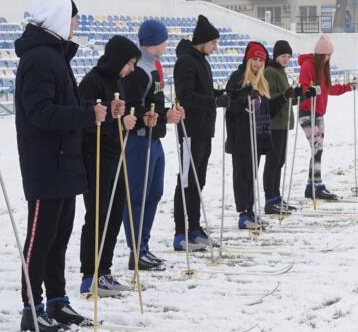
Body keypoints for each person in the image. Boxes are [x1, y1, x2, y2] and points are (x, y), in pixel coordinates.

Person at [14, 0, 107, 332]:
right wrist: (86, 115)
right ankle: (32, 307)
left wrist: (91, 111)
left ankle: (57, 300)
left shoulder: (55, 55)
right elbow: (41, 113)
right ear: (57, 18)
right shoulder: (39, 59)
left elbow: (63, 105)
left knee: (59, 239)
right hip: (46, 164)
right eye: (73, 18)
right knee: (40, 241)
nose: (76, 24)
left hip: (65, 162)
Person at [76, 36, 140, 298]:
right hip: (96, 156)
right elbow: (86, 121)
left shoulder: (118, 81)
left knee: (115, 213)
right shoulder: (92, 82)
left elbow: (117, 117)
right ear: (117, 59)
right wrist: (118, 123)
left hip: (116, 154)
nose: (132, 69)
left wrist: (127, 119)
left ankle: (104, 270)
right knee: (98, 214)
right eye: (130, 63)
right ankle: (89, 273)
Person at [123, 19, 184, 271]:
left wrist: (168, 112)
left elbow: (153, 103)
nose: (166, 44)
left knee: (155, 193)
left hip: (154, 139)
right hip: (139, 140)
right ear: (154, 41)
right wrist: (162, 115)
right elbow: (133, 106)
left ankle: (144, 245)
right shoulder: (139, 70)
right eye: (163, 40)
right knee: (137, 196)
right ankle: (136, 249)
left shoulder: (154, 67)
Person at [224, 41, 290, 228]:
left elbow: (268, 111)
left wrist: (284, 97)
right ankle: (243, 214)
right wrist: (243, 98)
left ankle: (250, 210)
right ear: (248, 59)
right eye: (254, 59)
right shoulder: (237, 78)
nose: (257, 63)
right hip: (241, 138)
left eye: (261, 61)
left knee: (251, 176)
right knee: (242, 176)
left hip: (258, 137)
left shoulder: (262, 82)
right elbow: (230, 106)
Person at [172, 15, 220, 251]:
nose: (216, 47)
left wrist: (223, 96)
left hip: (205, 130)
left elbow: (206, 93)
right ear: (202, 41)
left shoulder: (203, 62)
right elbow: (186, 95)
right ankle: (180, 232)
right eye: (213, 42)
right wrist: (212, 100)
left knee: (198, 181)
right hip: (191, 130)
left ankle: (194, 227)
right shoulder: (186, 62)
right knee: (187, 181)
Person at [298, 35, 354, 200]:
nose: (328, 58)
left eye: (330, 55)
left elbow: (329, 89)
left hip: (319, 113)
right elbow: (303, 86)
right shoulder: (308, 65)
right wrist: (311, 90)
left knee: (318, 149)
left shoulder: (323, 69)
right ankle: (316, 184)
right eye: (326, 55)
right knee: (316, 148)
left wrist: (348, 87)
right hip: (307, 112)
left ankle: (312, 185)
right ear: (320, 54)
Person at [263, 39, 316, 211]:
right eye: (283, 56)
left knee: (280, 161)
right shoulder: (270, 71)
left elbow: (289, 99)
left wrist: (304, 94)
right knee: (273, 161)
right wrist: (287, 94)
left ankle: (277, 196)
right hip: (274, 123)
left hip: (284, 122)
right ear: (276, 55)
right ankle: (270, 198)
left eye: (288, 56)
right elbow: (271, 97)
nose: (286, 59)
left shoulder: (281, 71)